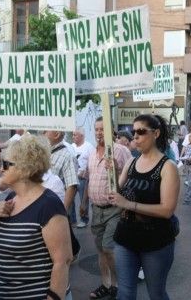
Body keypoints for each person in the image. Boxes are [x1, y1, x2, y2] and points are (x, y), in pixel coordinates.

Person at [0, 135, 72, 299]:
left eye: (6, 164)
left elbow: (62, 262)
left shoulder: (48, 204)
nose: (1, 169)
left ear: (25, 169)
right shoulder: (10, 198)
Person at [108, 114, 180, 300]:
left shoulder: (167, 167)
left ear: (155, 133)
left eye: (141, 132)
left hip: (156, 240)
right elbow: (118, 194)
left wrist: (128, 204)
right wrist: (113, 172)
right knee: (124, 292)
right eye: (134, 132)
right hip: (126, 237)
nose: (135, 137)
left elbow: (167, 210)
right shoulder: (131, 162)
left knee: (156, 294)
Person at [84, 117, 132, 299]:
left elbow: (131, 175)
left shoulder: (120, 151)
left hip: (114, 209)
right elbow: (90, 178)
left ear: (111, 131)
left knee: (108, 247)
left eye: (102, 129)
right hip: (96, 209)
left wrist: (117, 169)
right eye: (96, 129)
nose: (98, 133)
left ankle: (118, 284)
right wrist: (83, 203)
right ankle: (106, 284)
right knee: (100, 249)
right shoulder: (92, 152)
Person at [72, 127, 95, 228]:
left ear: (81, 136)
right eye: (73, 135)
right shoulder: (71, 147)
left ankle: (84, 219)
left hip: (83, 178)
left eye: (75, 135)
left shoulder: (89, 147)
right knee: (70, 199)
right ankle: (71, 219)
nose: (73, 137)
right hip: (72, 177)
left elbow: (93, 160)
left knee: (83, 200)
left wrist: (87, 172)